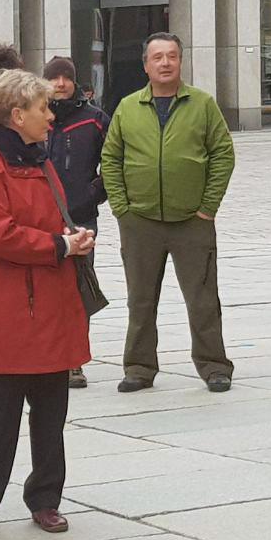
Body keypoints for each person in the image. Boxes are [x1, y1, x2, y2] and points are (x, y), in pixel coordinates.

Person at [0, 70, 94, 540]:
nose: (50, 117)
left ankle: (46, 499)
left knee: (52, 413)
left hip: (49, 304)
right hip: (5, 309)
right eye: (43, 109)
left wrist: (73, 235)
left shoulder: (39, 159)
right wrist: (58, 244)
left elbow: (52, 218)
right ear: (18, 115)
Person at [101, 32, 236, 394]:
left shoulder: (203, 104)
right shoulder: (128, 107)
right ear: (145, 65)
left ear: (180, 61)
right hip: (140, 221)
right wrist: (121, 208)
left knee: (203, 298)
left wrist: (208, 208)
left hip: (192, 220)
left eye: (171, 56)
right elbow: (110, 158)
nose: (165, 63)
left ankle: (214, 366)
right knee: (140, 299)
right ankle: (139, 368)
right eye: (157, 57)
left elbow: (223, 154)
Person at [44, 56, 108, 389]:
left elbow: (112, 162)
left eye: (66, 77)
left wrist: (93, 194)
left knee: (78, 288)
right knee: (44, 290)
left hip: (81, 217)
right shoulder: (35, 117)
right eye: (54, 78)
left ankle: (74, 361)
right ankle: (46, 355)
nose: (60, 84)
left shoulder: (94, 119)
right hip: (41, 219)